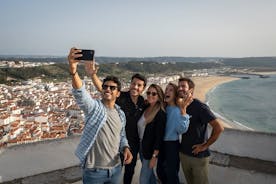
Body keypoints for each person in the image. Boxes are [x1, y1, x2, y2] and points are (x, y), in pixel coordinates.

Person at [68, 48, 133, 184]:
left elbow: (121, 136)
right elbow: (80, 93)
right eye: (105, 87)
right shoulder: (94, 108)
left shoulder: (120, 114)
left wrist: (126, 148)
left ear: (118, 93)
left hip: (115, 169)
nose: (107, 89)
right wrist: (73, 71)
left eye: (112, 87)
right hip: (94, 171)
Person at [85, 60, 147, 184]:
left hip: (132, 144)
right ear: (130, 84)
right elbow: (104, 90)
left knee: (130, 170)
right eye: (133, 83)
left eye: (139, 85)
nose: (135, 87)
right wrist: (93, 75)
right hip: (116, 142)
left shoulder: (142, 102)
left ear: (143, 89)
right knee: (116, 170)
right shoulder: (121, 96)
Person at [178, 77, 224, 184]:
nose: (180, 88)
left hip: (198, 157)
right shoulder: (181, 106)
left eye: (183, 86)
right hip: (184, 154)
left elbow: (219, 127)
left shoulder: (199, 106)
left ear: (191, 90)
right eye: (179, 86)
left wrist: (205, 145)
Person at [157, 82, 192, 184]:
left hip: (172, 145)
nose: (167, 91)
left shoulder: (178, 109)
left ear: (175, 94)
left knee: (171, 174)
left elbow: (182, 130)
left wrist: (183, 112)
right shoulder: (163, 108)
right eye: (166, 89)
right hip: (161, 144)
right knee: (160, 172)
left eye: (170, 90)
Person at [138, 84, 166, 184]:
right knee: (150, 177)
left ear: (159, 96)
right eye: (148, 93)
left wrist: (154, 157)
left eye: (154, 94)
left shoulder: (160, 114)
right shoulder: (145, 107)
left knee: (143, 180)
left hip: (150, 152)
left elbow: (159, 137)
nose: (150, 95)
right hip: (141, 148)